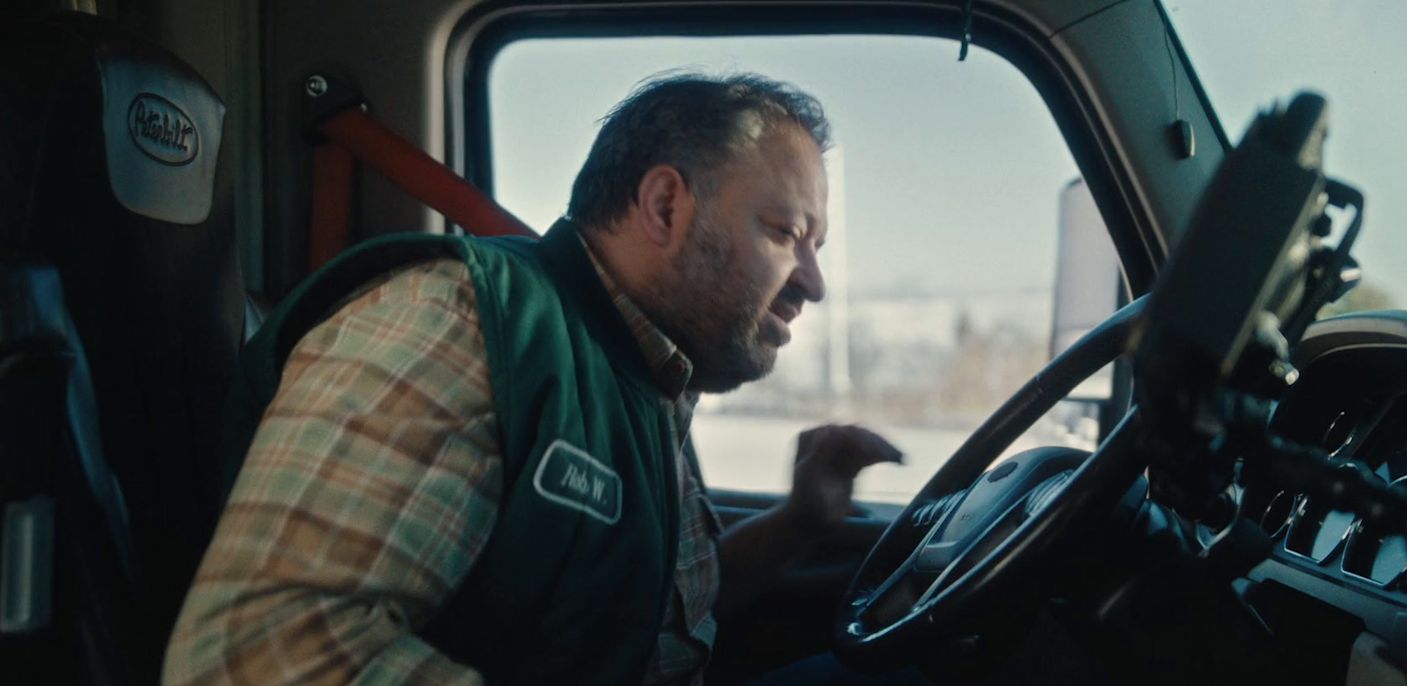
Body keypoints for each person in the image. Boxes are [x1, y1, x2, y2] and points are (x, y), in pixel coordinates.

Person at [163, 72, 905, 685]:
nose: (812, 282)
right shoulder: (458, 323)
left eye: (816, 246)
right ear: (666, 205)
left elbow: (650, 616)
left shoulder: (643, 374)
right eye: (784, 233)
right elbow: (253, 655)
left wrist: (801, 522)